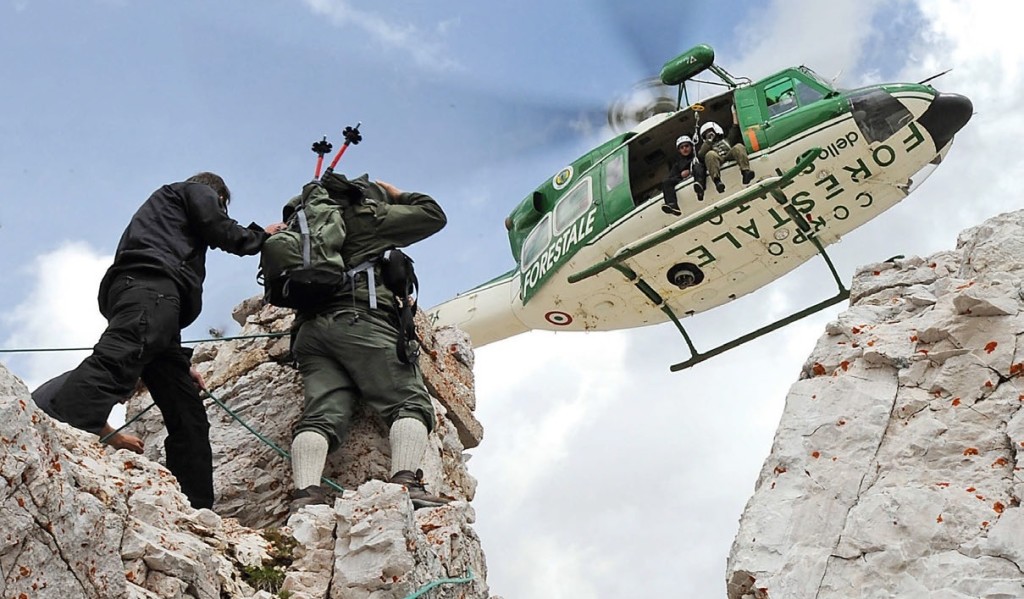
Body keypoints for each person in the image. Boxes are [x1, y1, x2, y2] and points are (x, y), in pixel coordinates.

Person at [48, 172, 285, 510]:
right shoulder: (194, 190)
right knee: (119, 359)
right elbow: (218, 225)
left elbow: (158, 321)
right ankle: (62, 435)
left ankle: (194, 508)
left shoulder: (162, 217)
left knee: (186, 409)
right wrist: (261, 236)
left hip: (156, 302)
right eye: (221, 205)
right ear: (218, 197)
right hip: (152, 287)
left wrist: (180, 363)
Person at [288, 173, 449, 512]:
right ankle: (406, 481)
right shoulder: (368, 216)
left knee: (321, 415)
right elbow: (433, 214)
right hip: (360, 322)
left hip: (310, 334)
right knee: (409, 400)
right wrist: (397, 193)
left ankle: (305, 495)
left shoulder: (299, 227)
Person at [32, 371, 146, 454]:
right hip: (38, 432)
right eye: (128, 394)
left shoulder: (86, 375)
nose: (122, 402)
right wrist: (119, 440)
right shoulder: (99, 381)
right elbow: (88, 413)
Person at [696, 106, 755, 195]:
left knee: (738, 146)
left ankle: (746, 172)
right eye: (706, 134)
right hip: (718, 159)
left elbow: (735, 127)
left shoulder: (727, 140)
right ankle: (717, 181)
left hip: (729, 155)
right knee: (710, 154)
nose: (709, 134)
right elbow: (700, 155)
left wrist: (734, 113)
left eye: (710, 131)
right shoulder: (707, 146)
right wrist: (709, 141)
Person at [660, 135, 704, 216]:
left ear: (691, 146)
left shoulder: (697, 156)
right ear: (679, 150)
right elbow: (671, 176)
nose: (685, 149)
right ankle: (672, 205)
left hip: (698, 176)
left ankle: (700, 188)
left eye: (687, 146)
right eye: (682, 147)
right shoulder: (677, 164)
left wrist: (692, 171)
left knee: (698, 166)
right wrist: (681, 175)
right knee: (666, 182)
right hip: (683, 179)